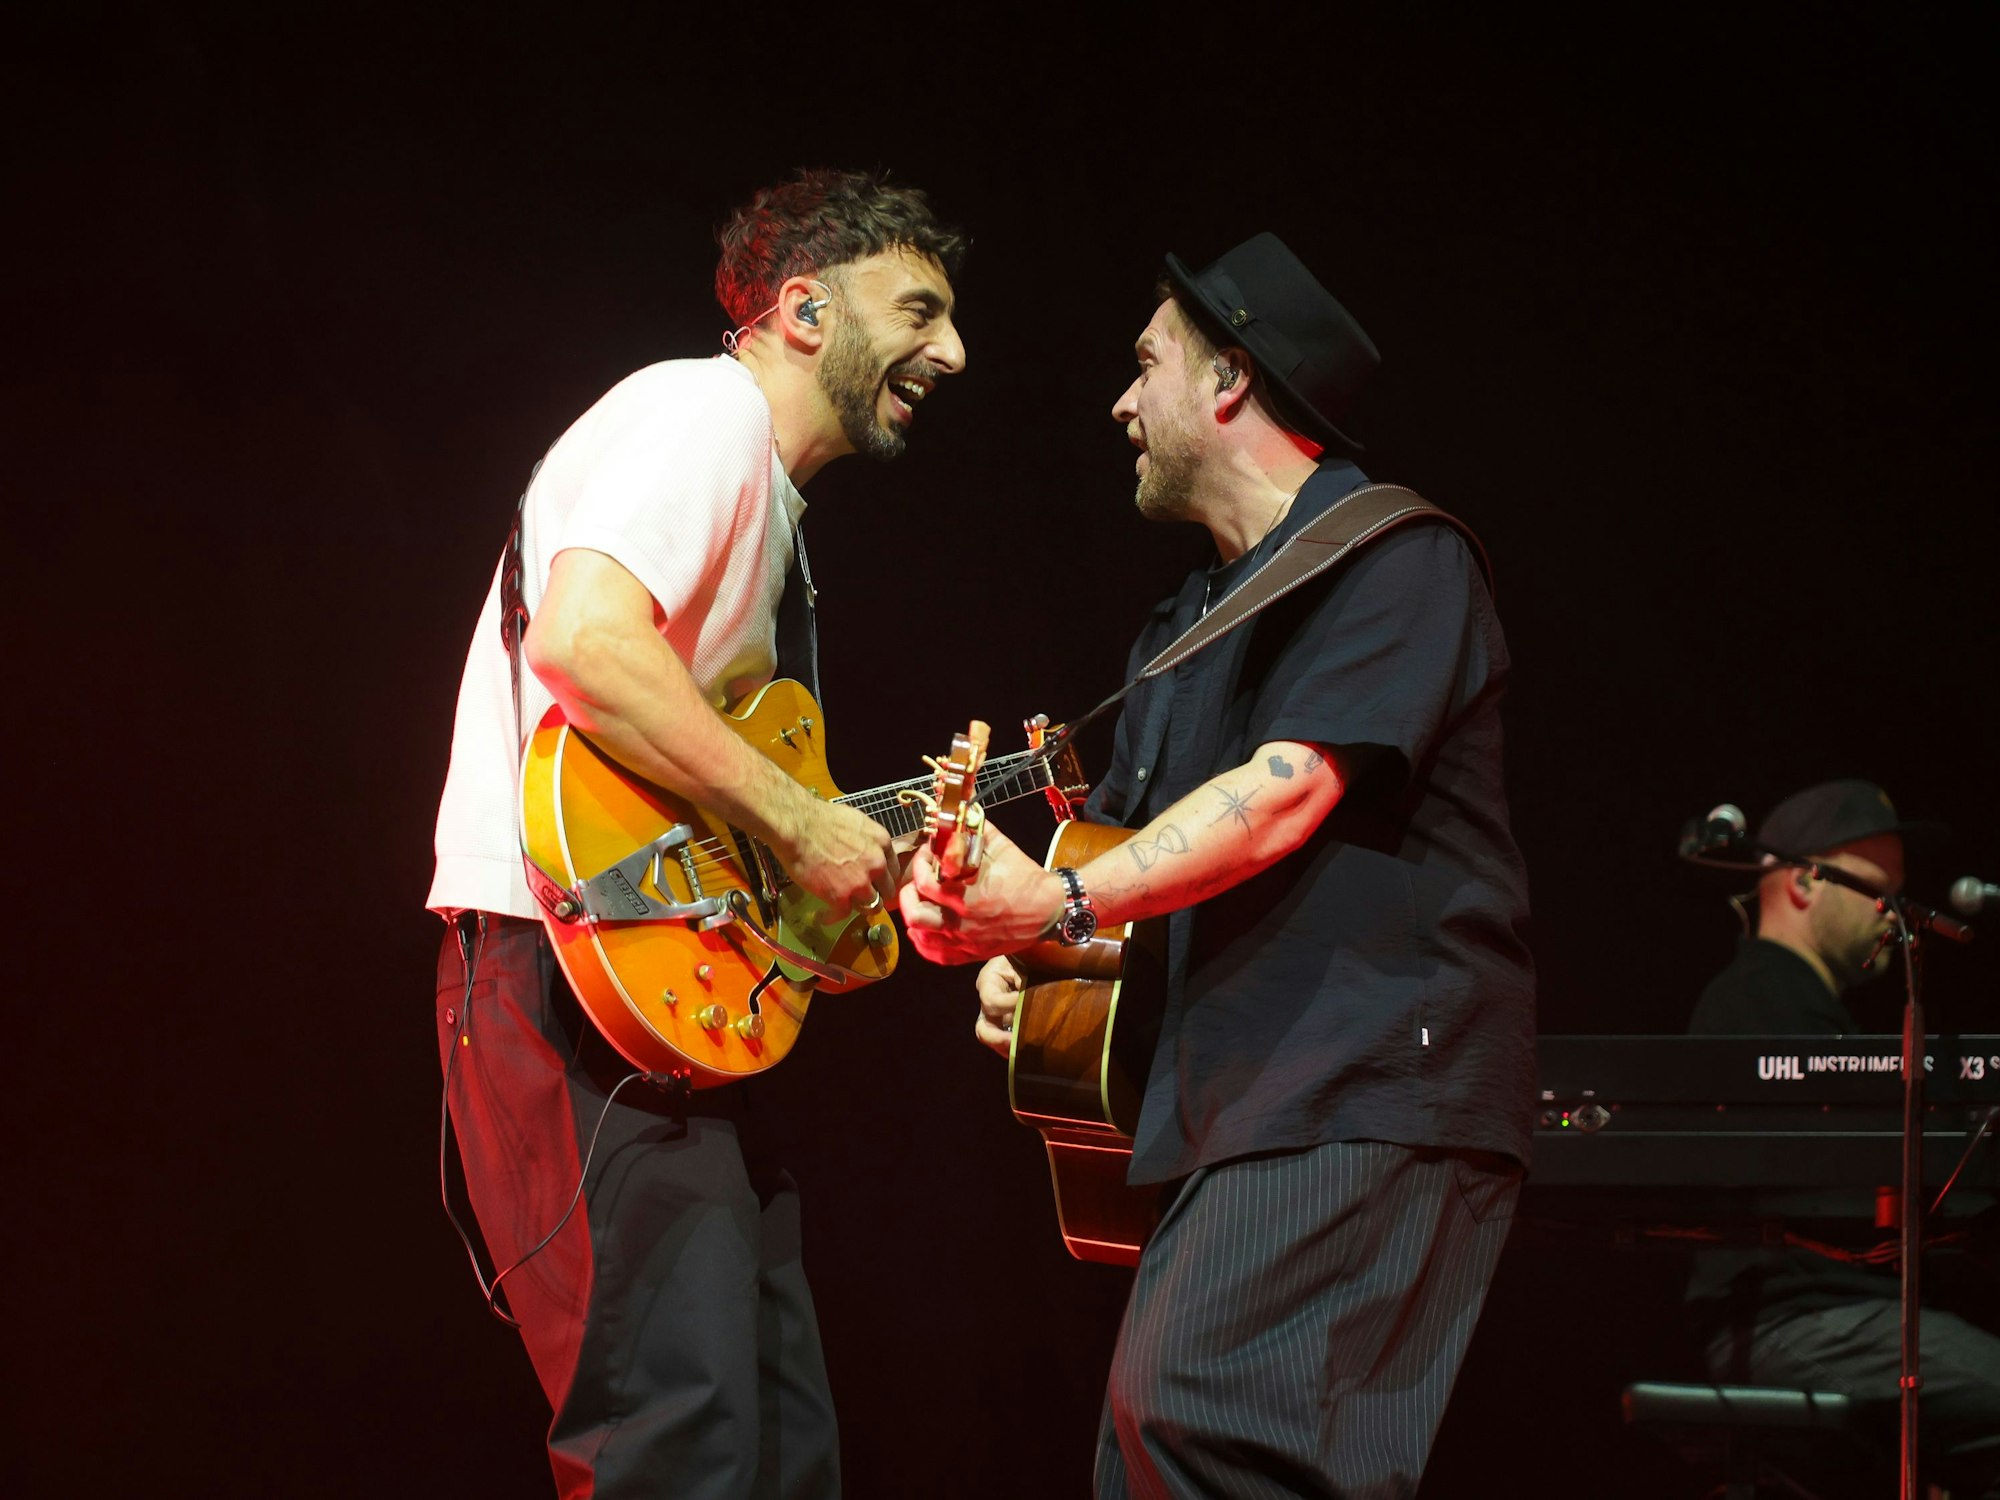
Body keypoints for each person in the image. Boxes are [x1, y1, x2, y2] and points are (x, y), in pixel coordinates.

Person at [900, 233, 1536, 1499]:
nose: (1120, 405)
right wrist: (1019, 944)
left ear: (1230, 379)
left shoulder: (1395, 559)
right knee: (1150, 1457)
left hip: (1363, 1092)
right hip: (1239, 1107)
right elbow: (1124, 875)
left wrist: (1063, 898)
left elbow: (1281, 793)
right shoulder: (1178, 630)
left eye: (1146, 366)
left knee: (1202, 1430)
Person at [425, 168, 966, 1500]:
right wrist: (799, 820)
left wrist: (817, 889)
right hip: (567, 980)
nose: (953, 353)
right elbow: (585, 643)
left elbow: (690, 772)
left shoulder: (767, 495)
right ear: (802, 308)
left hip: (652, 992)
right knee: (676, 1444)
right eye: (920, 310)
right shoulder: (702, 414)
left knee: (770, 1448)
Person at [1686, 779, 2000, 1498]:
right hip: (1799, 1324)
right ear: (1802, 882)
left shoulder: (1804, 1006)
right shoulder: (1760, 1002)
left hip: (1835, 1317)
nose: (1897, 918)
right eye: (1877, 892)